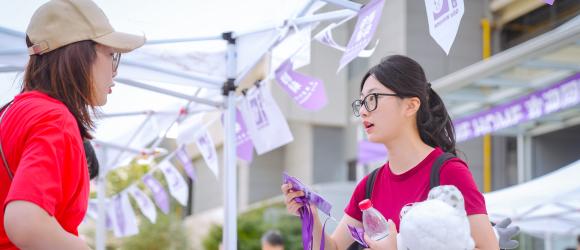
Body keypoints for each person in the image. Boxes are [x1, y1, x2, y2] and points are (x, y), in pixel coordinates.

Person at [282, 55, 499, 249]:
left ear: (411, 106)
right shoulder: (368, 186)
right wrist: (310, 215)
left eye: (373, 98)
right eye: (362, 102)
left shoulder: (448, 172)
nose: (364, 111)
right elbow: (334, 248)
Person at [0, 0, 145, 249]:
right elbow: (25, 222)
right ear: (78, 54)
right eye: (111, 55)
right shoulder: (54, 118)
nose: (115, 70)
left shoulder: (10, 112)